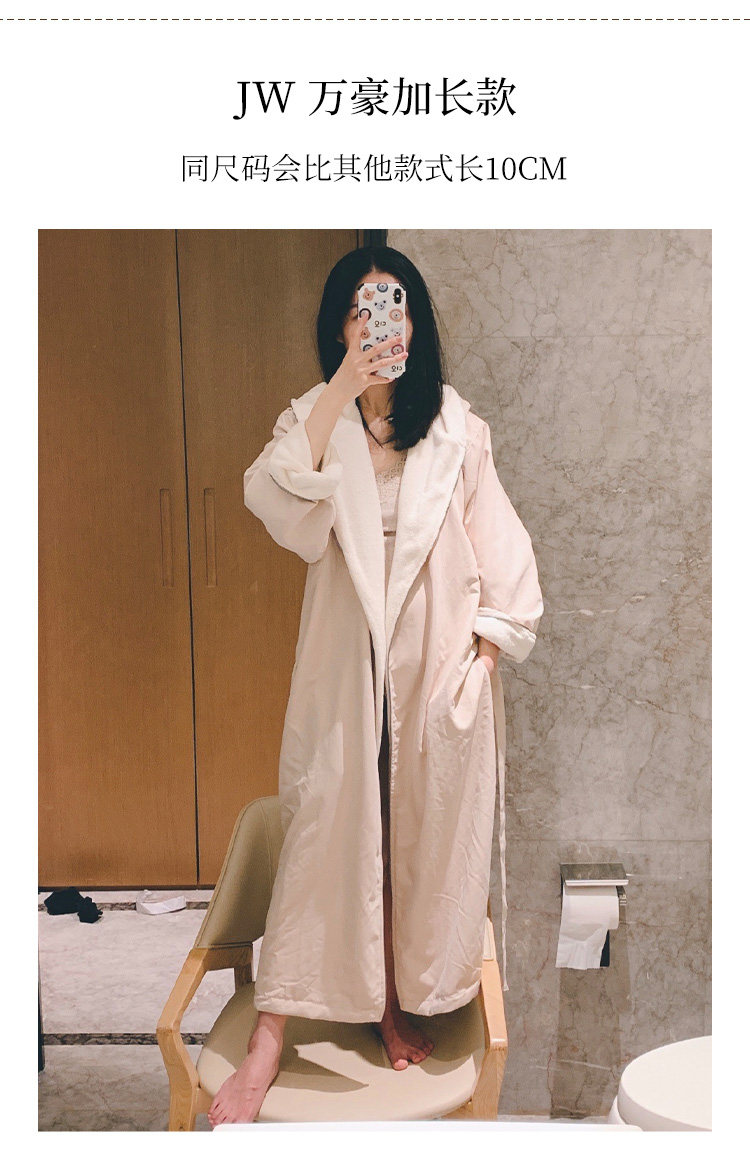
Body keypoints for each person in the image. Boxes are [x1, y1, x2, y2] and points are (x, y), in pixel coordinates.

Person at [208, 246, 543, 1127]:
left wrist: (482, 663)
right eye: (360, 310)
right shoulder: (314, 421)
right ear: (339, 327)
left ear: (415, 322)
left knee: (414, 837)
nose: (376, 324)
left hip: (434, 670)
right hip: (346, 668)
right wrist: (340, 389)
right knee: (326, 829)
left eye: (390, 306)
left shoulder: (458, 430)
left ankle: (391, 1002)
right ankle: (272, 1034)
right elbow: (274, 502)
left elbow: (503, 550)